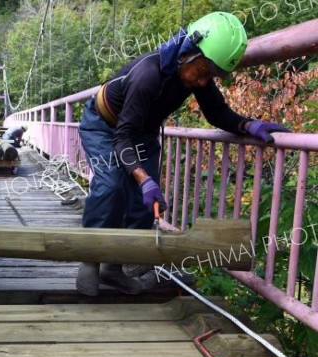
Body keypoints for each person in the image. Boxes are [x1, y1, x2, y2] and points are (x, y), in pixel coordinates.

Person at [76, 12, 290, 296]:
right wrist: (142, 178)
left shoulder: (191, 72)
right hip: (105, 126)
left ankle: (113, 269)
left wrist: (247, 124)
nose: (203, 82)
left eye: (210, 75)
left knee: (144, 203)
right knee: (111, 185)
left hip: (141, 132)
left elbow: (216, 113)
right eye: (204, 72)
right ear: (189, 51)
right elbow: (122, 137)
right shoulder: (149, 74)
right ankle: (90, 259)